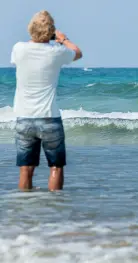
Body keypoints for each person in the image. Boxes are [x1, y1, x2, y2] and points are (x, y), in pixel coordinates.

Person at [10, 10, 83, 191]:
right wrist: (63, 39)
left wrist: (41, 34)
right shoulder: (57, 52)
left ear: (31, 29)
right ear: (51, 32)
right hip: (50, 117)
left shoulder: (19, 48)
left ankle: (26, 206)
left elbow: (30, 45)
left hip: (24, 117)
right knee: (56, 167)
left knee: (26, 168)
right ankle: (54, 210)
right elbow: (78, 53)